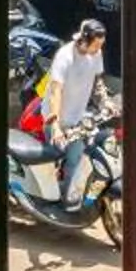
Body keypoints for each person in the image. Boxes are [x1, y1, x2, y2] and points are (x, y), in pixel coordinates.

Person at [43, 18, 107, 207]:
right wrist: (55, 125)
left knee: (75, 159)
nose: (99, 49)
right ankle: (47, 203)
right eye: (96, 45)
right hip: (56, 118)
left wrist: (105, 101)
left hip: (77, 119)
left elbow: (98, 80)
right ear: (84, 41)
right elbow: (55, 91)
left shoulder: (96, 53)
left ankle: (68, 201)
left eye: (101, 45)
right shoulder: (65, 57)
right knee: (52, 161)